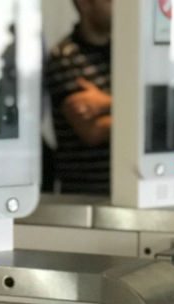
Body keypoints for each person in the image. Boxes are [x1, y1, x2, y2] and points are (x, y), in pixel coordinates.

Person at [44, 0, 113, 196]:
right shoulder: (65, 57)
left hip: (126, 187)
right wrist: (146, 117)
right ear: (84, 3)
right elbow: (93, 130)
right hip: (86, 195)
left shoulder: (124, 54)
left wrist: (105, 103)